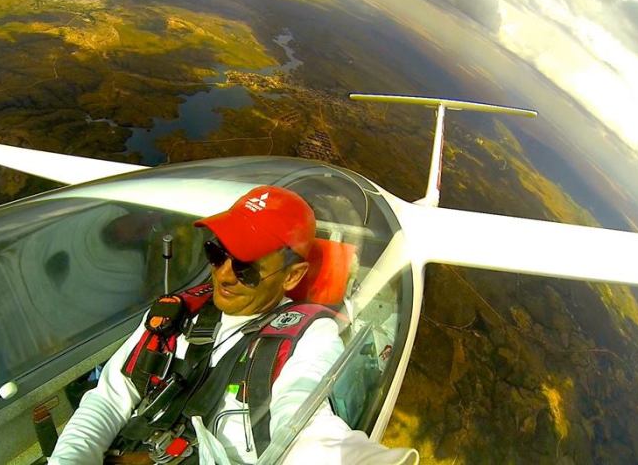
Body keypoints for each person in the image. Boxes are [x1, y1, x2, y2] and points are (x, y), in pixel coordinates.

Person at [49, 186, 418, 464]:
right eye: (217, 253)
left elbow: (305, 423)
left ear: (293, 276)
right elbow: (110, 399)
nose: (223, 275)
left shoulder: (307, 337)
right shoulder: (177, 313)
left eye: (246, 266)